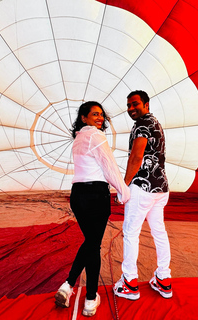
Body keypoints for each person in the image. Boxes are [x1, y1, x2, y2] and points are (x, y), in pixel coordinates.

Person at [54, 101, 130, 316]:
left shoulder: (77, 139)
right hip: (96, 196)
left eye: (101, 115)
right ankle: (90, 299)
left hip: (78, 196)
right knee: (93, 245)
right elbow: (109, 166)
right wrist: (124, 192)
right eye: (95, 114)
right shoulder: (96, 136)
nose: (100, 118)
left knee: (90, 243)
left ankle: (68, 286)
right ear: (83, 118)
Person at [113, 90, 172, 300]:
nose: (131, 109)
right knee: (159, 232)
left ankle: (129, 282)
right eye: (128, 105)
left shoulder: (142, 125)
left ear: (146, 104)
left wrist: (123, 186)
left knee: (130, 233)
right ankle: (163, 279)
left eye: (135, 104)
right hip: (161, 188)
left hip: (142, 188)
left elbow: (137, 157)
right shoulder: (154, 122)